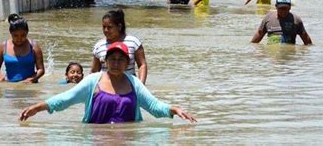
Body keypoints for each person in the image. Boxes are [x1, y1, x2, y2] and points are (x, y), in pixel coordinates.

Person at [19, 42, 197, 124]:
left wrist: (173, 110)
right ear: (105, 61)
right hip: (96, 139)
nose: (116, 63)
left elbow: (154, 106)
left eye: (121, 60)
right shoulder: (91, 81)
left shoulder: (134, 84)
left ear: (128, 64)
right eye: (112, 59)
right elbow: (65, 99)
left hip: (129, 139)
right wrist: (38, 107)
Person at [92, 9, 148, 84]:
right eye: (104, 27)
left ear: (119, 26)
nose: (106, 30)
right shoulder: (99, 46)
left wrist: (141, 86)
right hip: (105, 88)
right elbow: (94, 71)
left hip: (129, 87)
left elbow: (142, 65)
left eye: (109, 27)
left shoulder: (133, 42)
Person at [0, 14, 45, 83]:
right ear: (11, 33)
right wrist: (1, 77)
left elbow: (41, 69)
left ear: (27, 33)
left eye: (23, 35)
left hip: (29, 87)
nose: (19, 39)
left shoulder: (34, 47)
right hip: (9, 87)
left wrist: (31, 79)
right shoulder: (3, 46)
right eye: (15, 36)